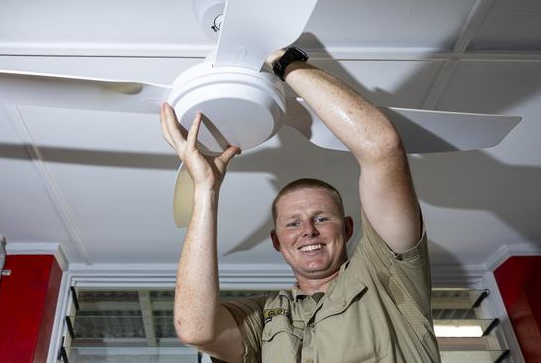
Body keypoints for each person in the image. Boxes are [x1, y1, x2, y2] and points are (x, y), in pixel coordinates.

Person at [160, 47, 440, 362]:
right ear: (277, 241)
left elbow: (382, 148)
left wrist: (283, 60)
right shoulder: (263, 316)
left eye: (321, 218)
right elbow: (196, 330)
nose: (307, 231)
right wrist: (205, 189)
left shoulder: (386, 276)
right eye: (293, 223)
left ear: (347, 228)